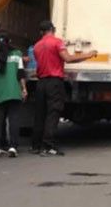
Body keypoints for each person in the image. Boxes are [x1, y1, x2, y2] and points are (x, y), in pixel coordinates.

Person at [31, 20, 96, 156]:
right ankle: (48, 146)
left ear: (41, 32)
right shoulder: (57, 42)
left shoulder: (36, 46)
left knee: (40, 113)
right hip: (54, 82)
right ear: (52, 30)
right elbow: (68, 58)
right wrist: (88, 55)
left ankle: (36, 145)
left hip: (41, 82)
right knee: (53, 112)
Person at [0, 31, 27, 158]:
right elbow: (20, 74)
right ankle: (13, 147)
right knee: (14, 120)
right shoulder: (17, 55)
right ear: (9, 42)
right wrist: (24, 89)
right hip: (14, 92)